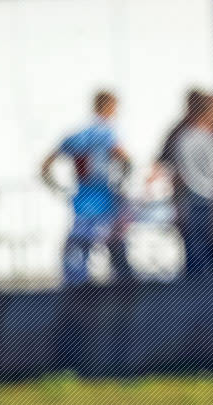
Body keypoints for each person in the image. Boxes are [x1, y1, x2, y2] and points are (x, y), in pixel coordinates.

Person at [42, 90, 132, 285]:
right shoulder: (106, 133)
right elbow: (126, 160)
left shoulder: (77, 135)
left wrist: (57, 188)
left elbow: (46, 165)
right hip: (104, 197)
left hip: (82, 198)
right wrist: (120, 183)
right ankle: (124, 288)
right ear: (108, 107)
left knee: (79, 247)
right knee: (114, 243)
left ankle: (79, 288)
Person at [159, 90, 213, 276]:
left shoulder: (182, 137)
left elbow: (176, 174)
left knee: (196, 255)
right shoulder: (207, 138)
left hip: (192, 202)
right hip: (207, 202)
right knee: (205, 256)